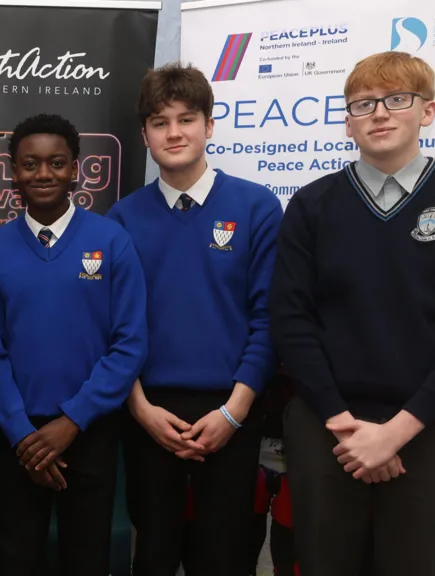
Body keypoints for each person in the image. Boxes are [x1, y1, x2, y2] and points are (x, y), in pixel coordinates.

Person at [270, 50, 435, 576]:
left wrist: (397, 431)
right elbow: (290, 319)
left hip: (433, 422)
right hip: (328, 421)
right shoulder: (311, 205)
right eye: (363, 104)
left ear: (429, 110)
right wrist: (346, 425)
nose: (379, 113)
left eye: (397, 99)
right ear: (348, 122)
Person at [106, 62, 282, 576]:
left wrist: (233, 413)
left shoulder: (256, 207)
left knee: (223, 557)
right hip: (147, 411)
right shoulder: (122, 218)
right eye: (160, 122)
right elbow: (112, 326)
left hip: (231, 408)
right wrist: (139, 409)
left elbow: (269, 319)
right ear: (144, 135)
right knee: (154, 554)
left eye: (187, 118)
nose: (174, 132)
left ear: (209, 124)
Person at [0, 113, 148, 576]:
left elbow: (130, 343)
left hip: (90, 431)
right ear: (13, 171)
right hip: (17, 437)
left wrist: (72, 420)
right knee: (15, 559)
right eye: (30, 164)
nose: (43, 174)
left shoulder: (111, 241)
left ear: (75, 168)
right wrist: (22, 435)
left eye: (56, 163)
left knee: (87, 558)